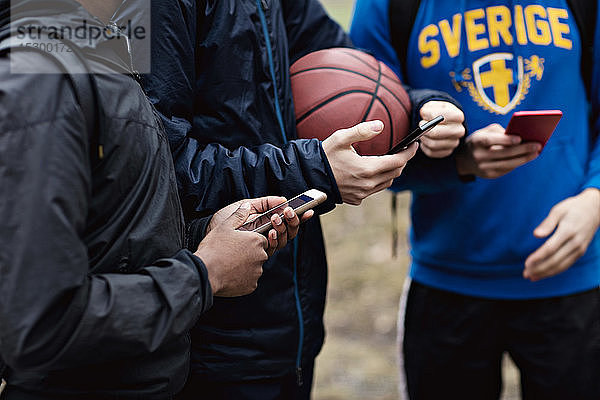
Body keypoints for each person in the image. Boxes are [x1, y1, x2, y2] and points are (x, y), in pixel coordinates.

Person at [138, 0, 468, 398]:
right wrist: (315, 172)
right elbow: (157, 165)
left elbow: (351, 70)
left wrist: (418, 109)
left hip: (289, 322)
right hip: (202, 331)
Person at [0, 0, 305, 398]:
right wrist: (205, 273)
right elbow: (38, 321)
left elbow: (106, 243)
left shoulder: (93, 49)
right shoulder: (40, 78)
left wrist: (205, 236)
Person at [351, 0, 600, 399]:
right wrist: (458, 160)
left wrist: (595, 198)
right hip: (448, 282)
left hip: (573, 275)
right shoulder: (388, 7)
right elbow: (364, 153)